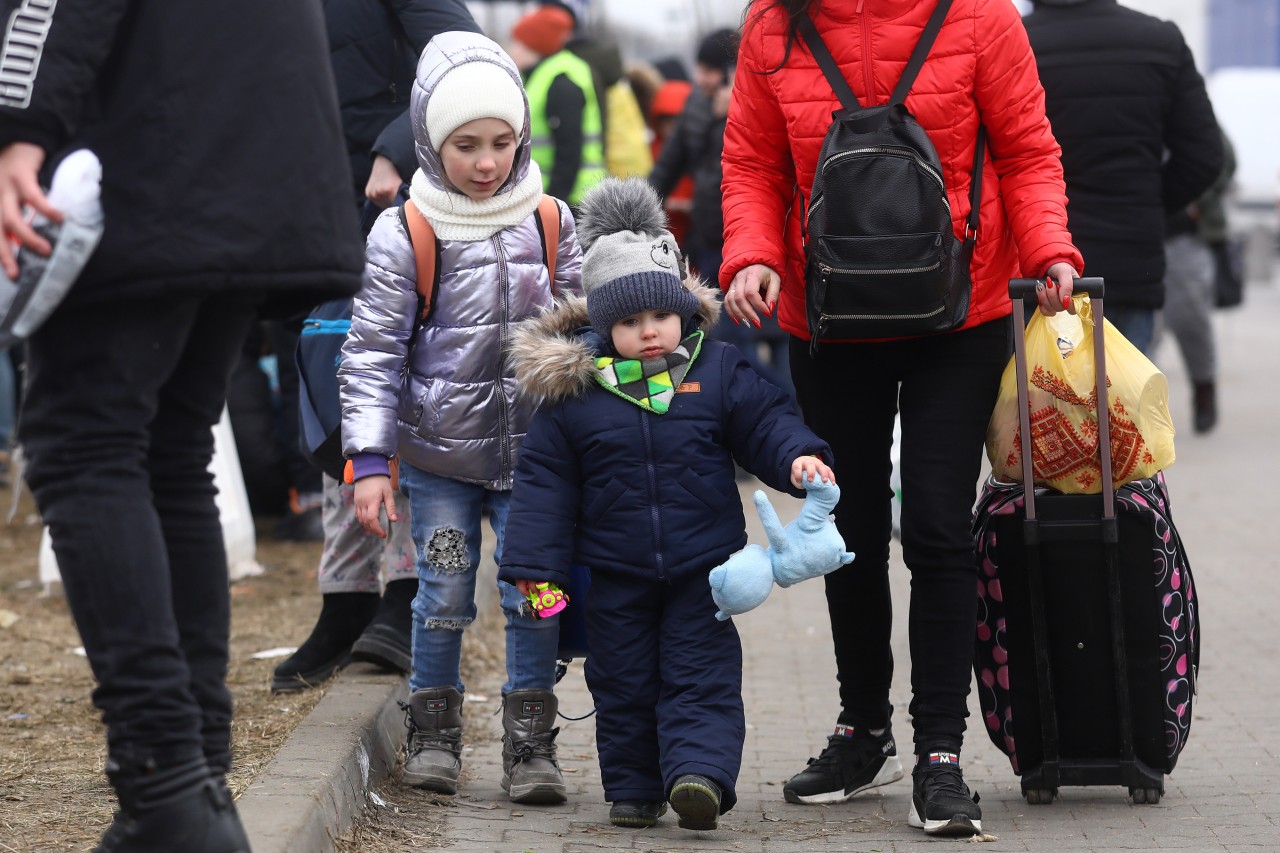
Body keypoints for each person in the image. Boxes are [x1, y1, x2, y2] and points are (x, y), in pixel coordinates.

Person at [0, 0, 363, 848]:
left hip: (142, 151)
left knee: (84, 445)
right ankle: (194, 786)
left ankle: (165, 785)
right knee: (168, 451)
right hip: (249, 146)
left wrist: (19, 124)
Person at [720, 0, 1084, 837]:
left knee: (935, 527)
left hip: (958, 311)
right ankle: (863, 729)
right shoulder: (773, 23)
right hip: (828, 316)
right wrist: (751, 256)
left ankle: (940, 753)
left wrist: (1050, 250)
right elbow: (752, 163)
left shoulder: (980, 16)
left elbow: (1030, 151)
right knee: (843, 528)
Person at [498, 177, 835, 832]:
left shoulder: (718, 371)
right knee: (622, 683)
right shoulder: (577, 395)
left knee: (701, 675)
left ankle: (698, 776)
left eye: (659, 315)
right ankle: (633, 786)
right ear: (604, 325)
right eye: (628, 321)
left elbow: (765, 422)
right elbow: (544, 484)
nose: (648, 332)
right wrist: (535, 568)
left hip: (702, 570)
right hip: (615, 574)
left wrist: (797, 456)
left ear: (682, 309)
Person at [340, 31, 583, 804]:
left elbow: (585, 329)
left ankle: (531, 744)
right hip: (441, 465)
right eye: (466, 145)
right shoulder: (406, 230)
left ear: (521, 138)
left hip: (538, 462)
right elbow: (373, 354)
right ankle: (435, 732)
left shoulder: (549, 219)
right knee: (443, 593)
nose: (486, 162)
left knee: (534, 594)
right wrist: (371, 461)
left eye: (501, 142)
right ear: (429, 142)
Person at [270, 0, 482, 695]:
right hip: (309, 205)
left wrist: (397, 147)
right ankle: (347, 594)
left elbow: (462, 56)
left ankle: (407, 587)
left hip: (397, 200)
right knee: (328, 394)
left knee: (402, 397)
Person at [1023, 0, 1223, 355]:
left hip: (1039, 267)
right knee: (1124, 401)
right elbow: (1205, 156)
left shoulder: (1018, 40)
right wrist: (1149, 203)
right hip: (1131, 259)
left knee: (1042, 402)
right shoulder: (1162, 41)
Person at [1160, 129, 1236, 434]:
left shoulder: (1183, 99)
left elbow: (1223, 159)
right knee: (1140, 331)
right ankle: (1136, 413)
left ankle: (1204, 388)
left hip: (1185, 235)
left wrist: (1196, 205)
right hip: (1140, 229)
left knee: (1191, 321)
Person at [508, 4, 607, 205]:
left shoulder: (561, 79)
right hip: (560, 196)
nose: (511, 50)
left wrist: (553, 204)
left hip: (573, 200)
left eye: (517, 43)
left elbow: (568, 152)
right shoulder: (544, 75)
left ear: (533, 46)